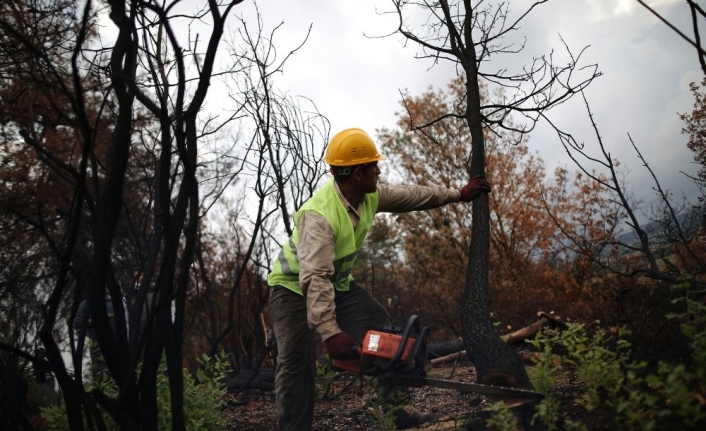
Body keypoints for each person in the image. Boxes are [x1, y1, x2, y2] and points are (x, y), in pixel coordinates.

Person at [267, 128, 491, 431]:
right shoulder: (318, 216)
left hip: (337, 284)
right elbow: (315, 277)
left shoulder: (369, 195)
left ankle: (396, 414)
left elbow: (412, 195)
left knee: (379, 328)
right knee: (296, 360)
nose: (379, 169)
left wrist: (457, 195)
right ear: (359, 173)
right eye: (374, 165)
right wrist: (331, 333)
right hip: (292, 288)